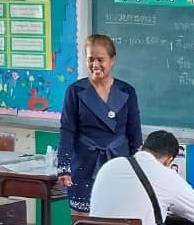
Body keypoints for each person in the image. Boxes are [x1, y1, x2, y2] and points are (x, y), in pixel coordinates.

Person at [57, 33, 143, 214]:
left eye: (100, 60)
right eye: (91, 59)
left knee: (117, 218)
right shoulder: (75, 91)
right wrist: (64, 167)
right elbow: (67, 130)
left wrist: (139, 166)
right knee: (83, 221)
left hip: (119, 163)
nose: (95, 65)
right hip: (84, 164)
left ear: (112, 60)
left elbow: (134, 132)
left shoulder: (127, 91)